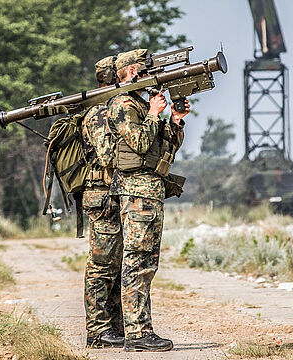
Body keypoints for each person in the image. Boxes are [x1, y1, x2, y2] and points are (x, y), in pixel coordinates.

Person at [106, 48, 190, 352]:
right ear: (132, 73)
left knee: (146, 262)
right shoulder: (122, 105)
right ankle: (138, 333)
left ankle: (139, 331)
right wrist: (154, 113)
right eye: (145, 70)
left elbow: (165, 147)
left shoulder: (140, 105)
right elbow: (139, 143)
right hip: (137, 193)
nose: (151, 76)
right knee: (137, 262)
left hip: (150, 192)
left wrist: (176, 120)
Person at [82, 55, 124, 348]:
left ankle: (116, 328)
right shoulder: (98, 114)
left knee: (119, 265)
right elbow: (109, 156)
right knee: (101, 266)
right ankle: (97, 331)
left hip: (117, 195)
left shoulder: (117, 110)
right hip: (102, 196)